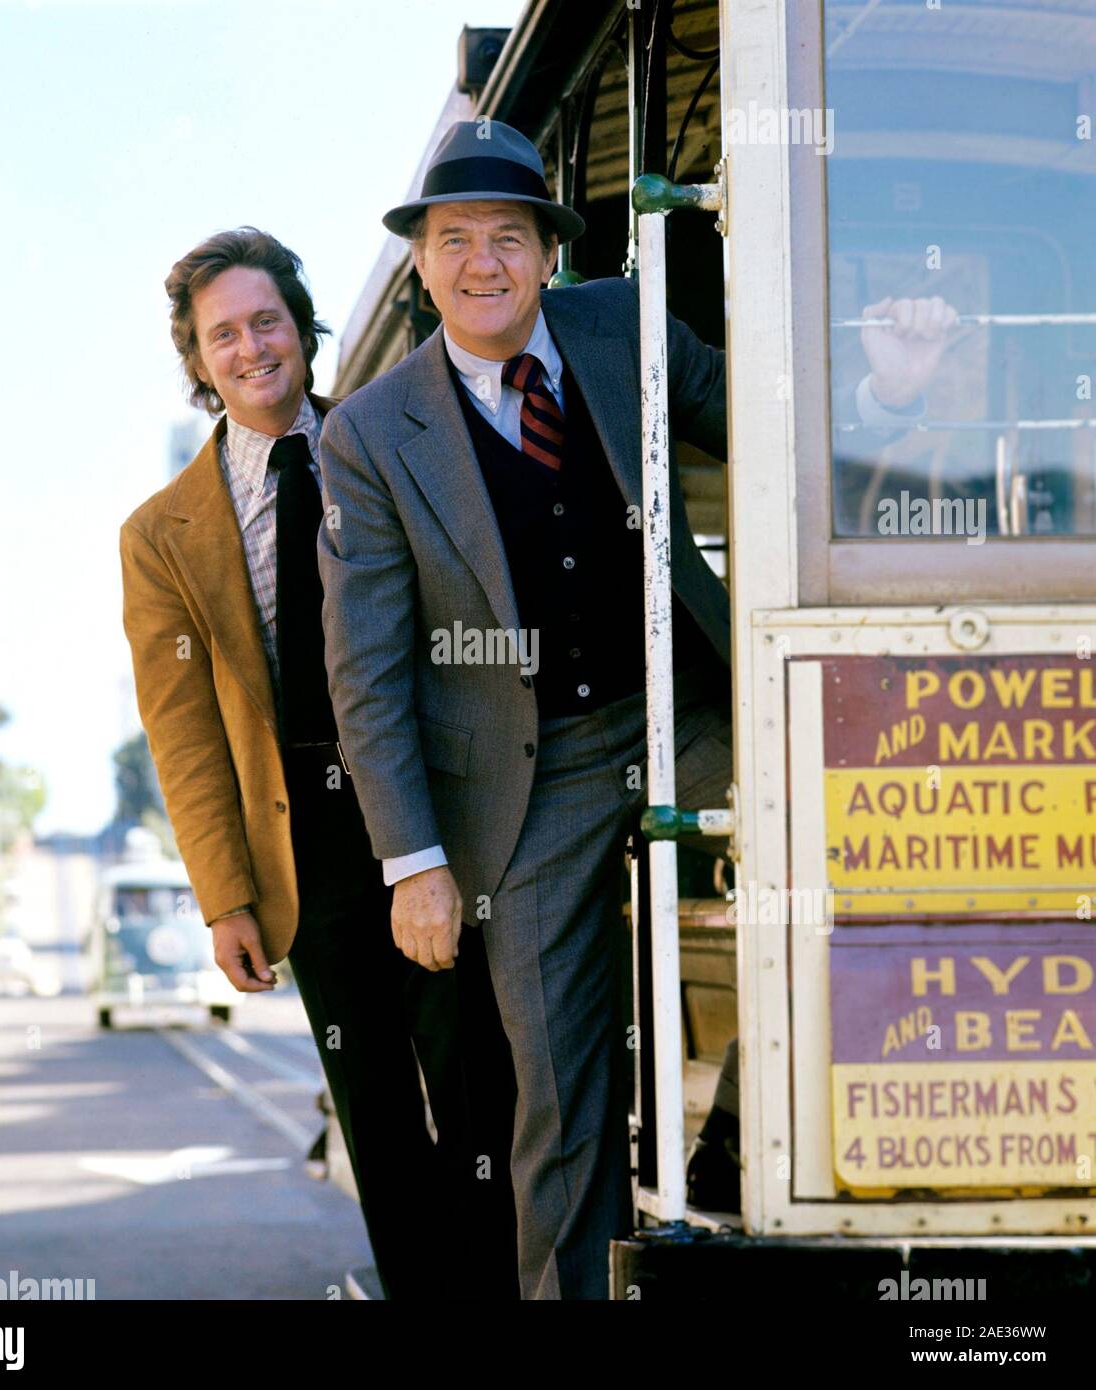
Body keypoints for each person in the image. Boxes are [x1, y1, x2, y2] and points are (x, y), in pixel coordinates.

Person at [316, 120, 955, 1299]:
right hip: (521, 775)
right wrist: (413, 859)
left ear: (547, 255)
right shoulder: (367, 435)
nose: (481, 264)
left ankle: (795, 1168)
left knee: (846, 868)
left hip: (682, 709)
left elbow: (751, 423)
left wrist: (882, 389)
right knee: (558, 1086)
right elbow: (367, 669)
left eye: (507, 237)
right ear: (420, 262)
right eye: (453, 241)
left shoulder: (616, 323)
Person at [119, 227, 517, 1300]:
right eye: (223, 335)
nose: (250, 348)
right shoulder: (160, 533)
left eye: (265, 321)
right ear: (197, 361)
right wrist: (222, 900)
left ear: (301, 329)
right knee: (378, 1119)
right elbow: (184, 727)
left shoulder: (388, 439)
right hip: (304, 846)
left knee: (478, 1093)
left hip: (429, 820)